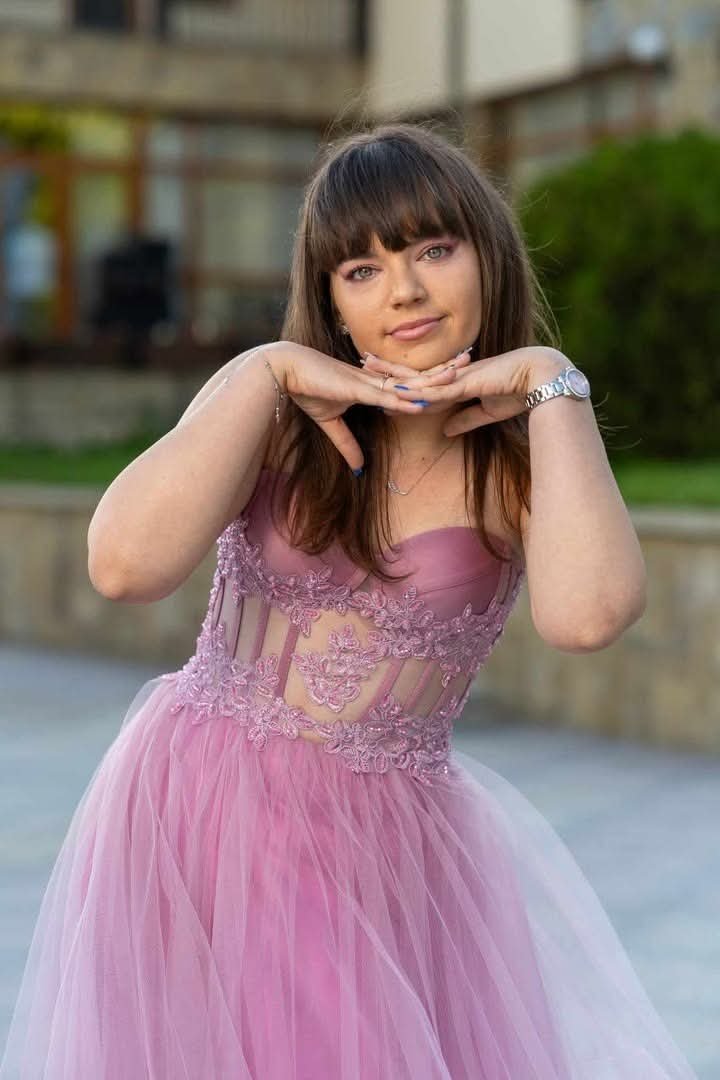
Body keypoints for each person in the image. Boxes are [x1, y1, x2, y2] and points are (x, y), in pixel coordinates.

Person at [0, 123, 697, 1079]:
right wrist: (263, 369)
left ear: (488, 258)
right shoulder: (276, 416)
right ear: (329, 298)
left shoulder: (521, 463)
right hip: (200, 807)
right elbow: (122, 566)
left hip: (382, 843)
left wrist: (551, 382)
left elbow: (590, 616)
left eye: (433, 251)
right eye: (361, 270)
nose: (403, 291)